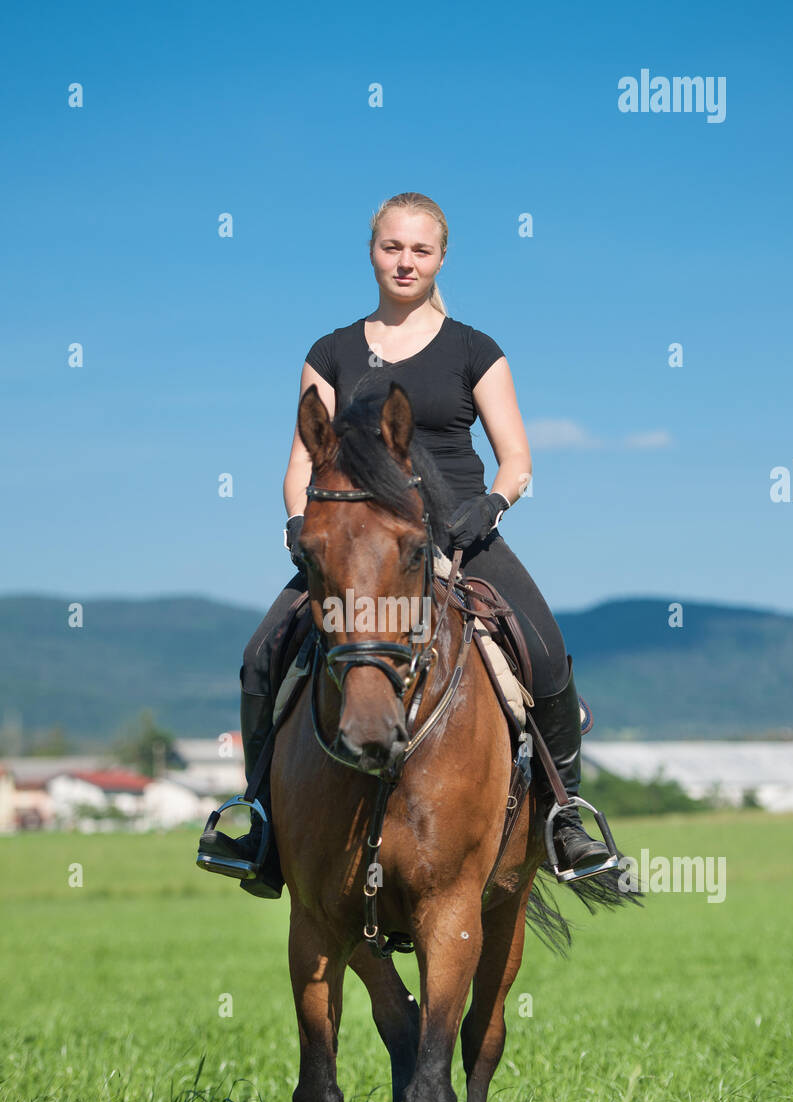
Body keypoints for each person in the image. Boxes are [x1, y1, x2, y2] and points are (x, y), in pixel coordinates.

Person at [199, 191, 617, 897]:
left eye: (420, 250)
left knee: (544, 650)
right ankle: (261, 820)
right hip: (358, 540)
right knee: (258, 659)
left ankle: (566, 816)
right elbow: (302, 463)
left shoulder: (474, 350)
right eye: (392, 247)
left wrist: (489, 507)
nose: (405, 261)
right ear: (372, 252)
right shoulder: (329, 351)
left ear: (440, 259)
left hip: (459, 530)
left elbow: (518, 459)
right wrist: (307, 530)